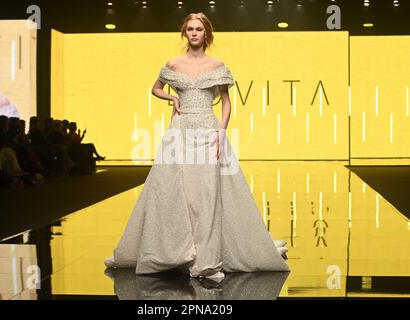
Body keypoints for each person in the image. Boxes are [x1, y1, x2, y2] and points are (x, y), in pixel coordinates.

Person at [104, 12, 289, 283]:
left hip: (208, 131)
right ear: (184, 33)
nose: (193, 33)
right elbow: (155, 88)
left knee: (207, 193)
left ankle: (207, 257)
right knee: (176, 191)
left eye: (198, 29)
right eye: (190, 29)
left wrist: (222, 130)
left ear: (206, 34)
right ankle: (178, 250)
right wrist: (171, 97)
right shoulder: (173, 64)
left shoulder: (217, 65)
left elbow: (226, 101)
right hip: (180, 130)